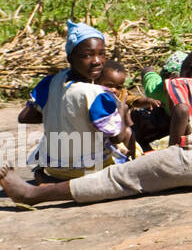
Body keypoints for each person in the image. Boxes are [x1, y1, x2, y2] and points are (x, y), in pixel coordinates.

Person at [2, 48, 192, 209]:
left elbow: (180, 111)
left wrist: (172, 149)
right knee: (146, 179)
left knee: (119, 177)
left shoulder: (183, 81)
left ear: (190, 71)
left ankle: (31, 195)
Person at [19, 21, 131, 180]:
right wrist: (122, 107)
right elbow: (117, 137)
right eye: (87, 55)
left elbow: (25, 117)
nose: (97, 61)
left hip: (55, 168)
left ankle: (45, 176)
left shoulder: (49, 83)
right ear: (70, 58)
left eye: (102, 54)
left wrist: (61, 113)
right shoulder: (96, 94)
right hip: (91, 168)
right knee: (130, 143)